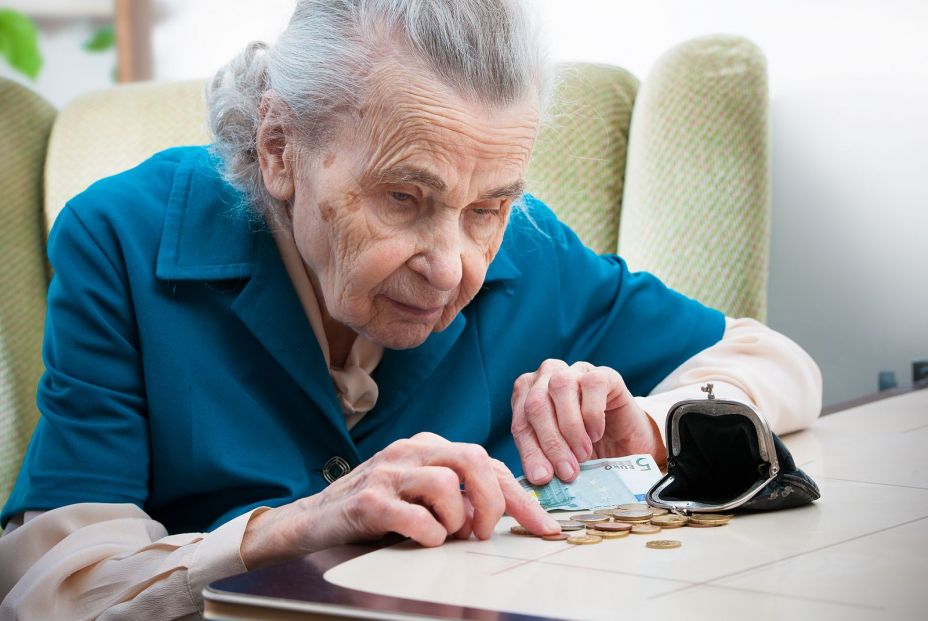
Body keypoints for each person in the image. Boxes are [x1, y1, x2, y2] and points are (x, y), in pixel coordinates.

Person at [0, 0, 821, 618]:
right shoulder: (122, 234)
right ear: (280, 147)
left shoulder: (530, 250)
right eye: (403, 196)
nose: (452, 264)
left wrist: (647, 422)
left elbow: (776, 360)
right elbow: (48, 583)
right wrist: (293, 527)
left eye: (488, 207)